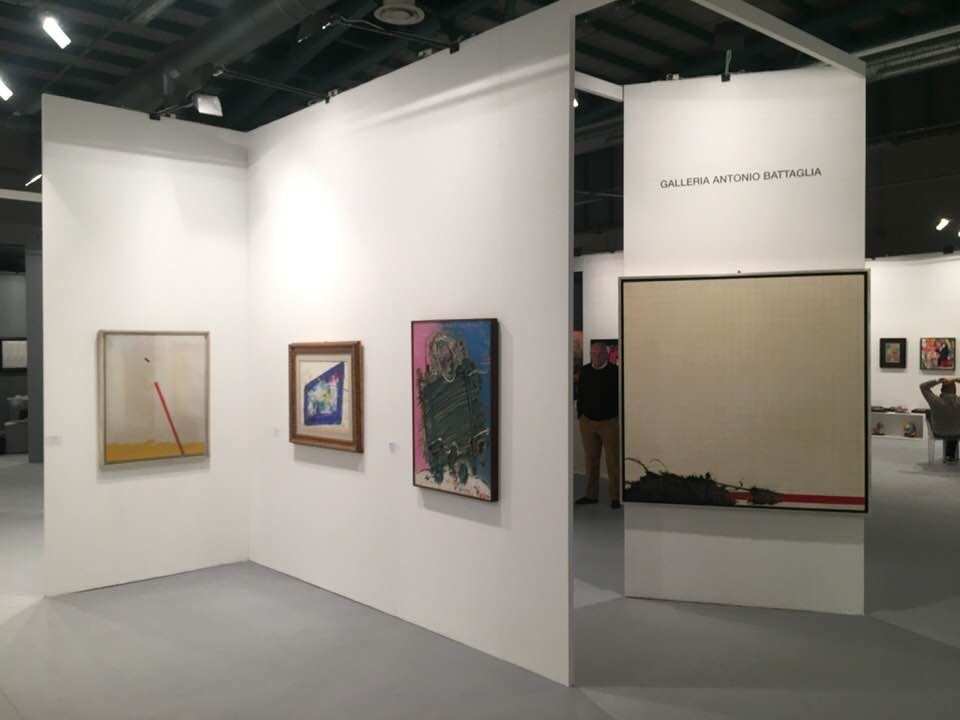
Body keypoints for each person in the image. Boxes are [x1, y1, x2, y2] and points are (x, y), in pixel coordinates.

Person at [576, 340, 621, 508]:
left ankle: (616, 497)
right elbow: (580, 392)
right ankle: (591, 495)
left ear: (607, 355)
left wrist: (615, 417)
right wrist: (581, 415)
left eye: (600, 354)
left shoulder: (615, 372)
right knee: (590, 460)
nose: (596, 357)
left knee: (613, 461)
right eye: (593, 354)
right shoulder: (585, 371)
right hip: (588, 422)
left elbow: (619, 396)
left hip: (609, 422)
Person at [920, 377, 960, 463]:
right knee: (953, 421)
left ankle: (949, 455)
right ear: (955, 390)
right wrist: (957, 380)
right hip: (958, 432)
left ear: (942, 389)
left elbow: (923, 387)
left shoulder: (935, 400)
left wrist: (937, 381)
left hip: (938, 432)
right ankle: (950, 455)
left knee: (929, 413)